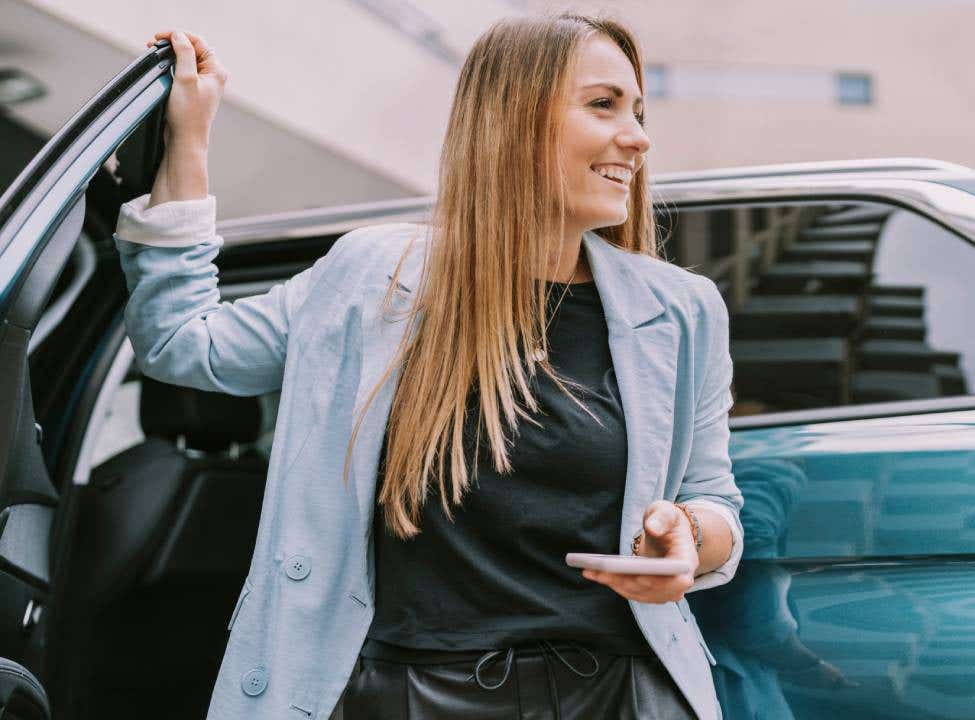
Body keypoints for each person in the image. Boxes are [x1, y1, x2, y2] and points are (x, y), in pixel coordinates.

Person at [116, 12, 743, 720]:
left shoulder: (682, 309)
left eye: (638, 110)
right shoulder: (375, 275)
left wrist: (688, 539)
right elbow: (183, 343)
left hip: (620, 694)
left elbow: (715, 496)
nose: (638, 136)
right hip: (412, 695)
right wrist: (188, 139)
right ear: (513, 118)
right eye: (603, 105)